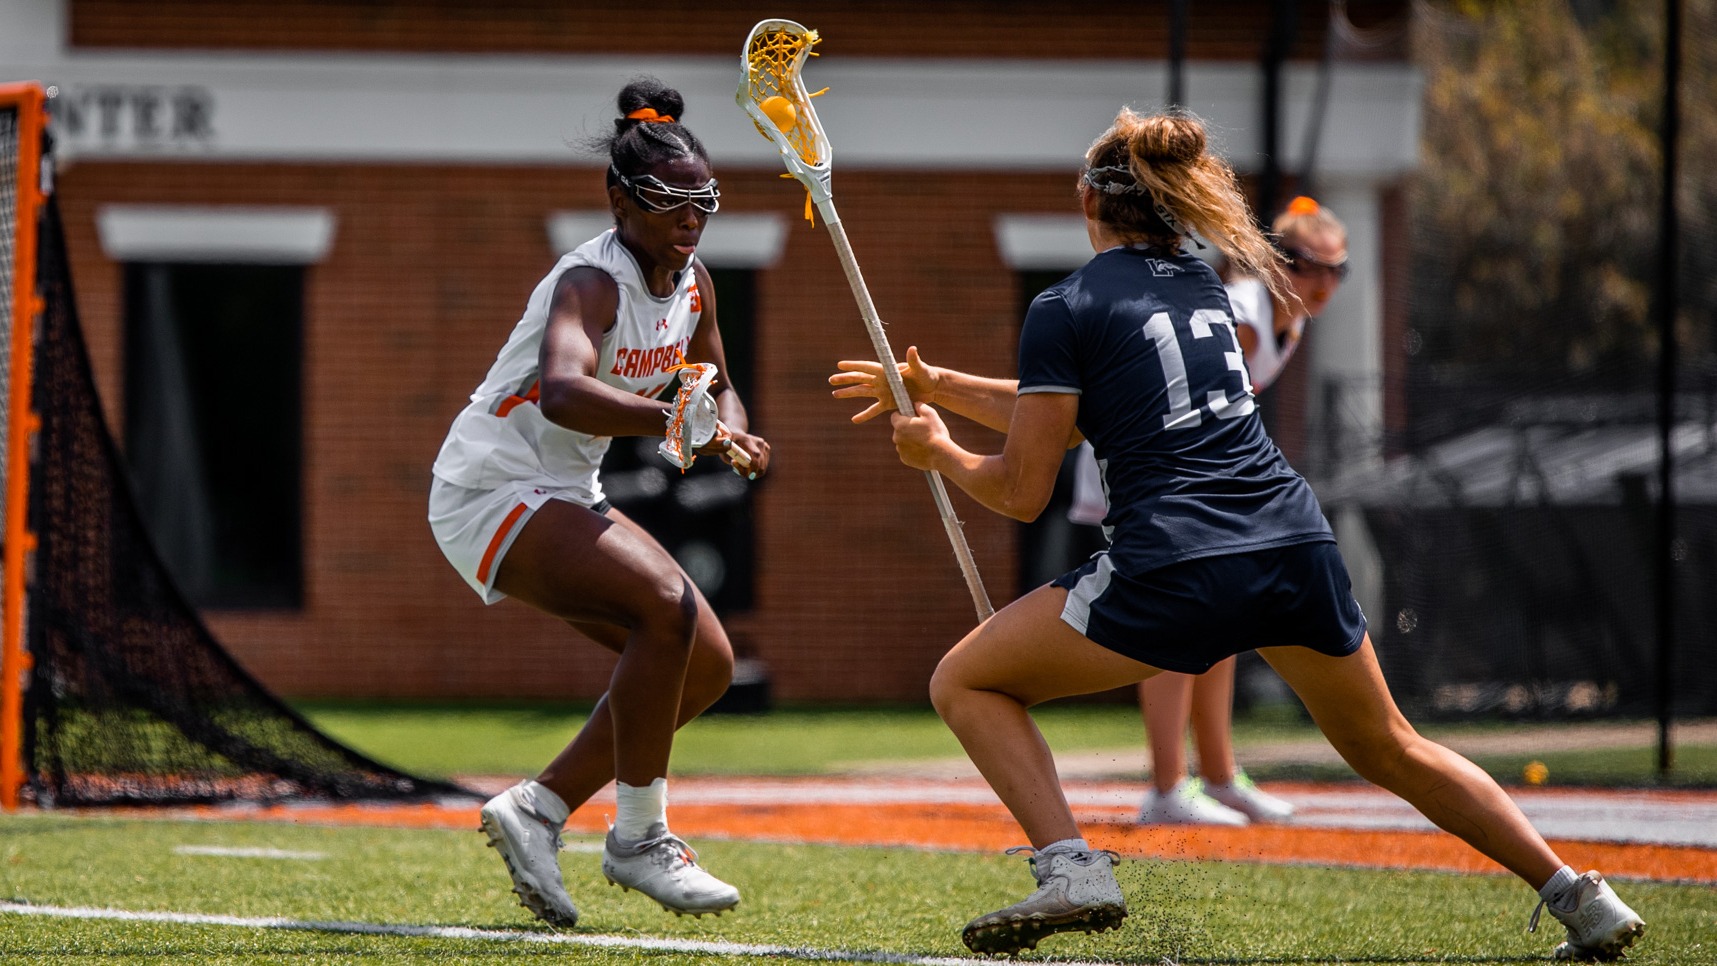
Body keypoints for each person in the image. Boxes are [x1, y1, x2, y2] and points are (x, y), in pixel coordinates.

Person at [828, 107, 1644, 961]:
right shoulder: (1203, 286)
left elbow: (1022, 490)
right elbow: (1074, 416)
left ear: (1086, 200)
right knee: (1389, 744)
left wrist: (939, 451)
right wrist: (936, 384)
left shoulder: (1063, 305)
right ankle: (1576, 895)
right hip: (1293, 541)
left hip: (1177, 561)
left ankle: (1070, 866)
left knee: (966, 681)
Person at [429, 78, 769, 928]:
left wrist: (728, 427)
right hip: (489, 486)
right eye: (669, 202)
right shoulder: (590, 280)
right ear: (619, 199)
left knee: (706, 664)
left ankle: (539, 808)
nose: (691, 220)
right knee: (663, 606)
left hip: (559, 489)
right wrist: (669, 415)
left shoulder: (694, 284)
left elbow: (720, 383)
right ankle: (640, 838)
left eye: (704, 202)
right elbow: (562, 392)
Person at [1066, 195, 1350, 827]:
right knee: (1183, 611)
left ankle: (1217, 777)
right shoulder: (1248, 312)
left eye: (1338, 270)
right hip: (1151, 464)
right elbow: (1198, 407)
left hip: (1188, 470)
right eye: (1310, 266)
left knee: (1220, 619)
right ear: (1278, 262)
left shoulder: (1288, 315)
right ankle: (1169, 785)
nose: (1324, 282)